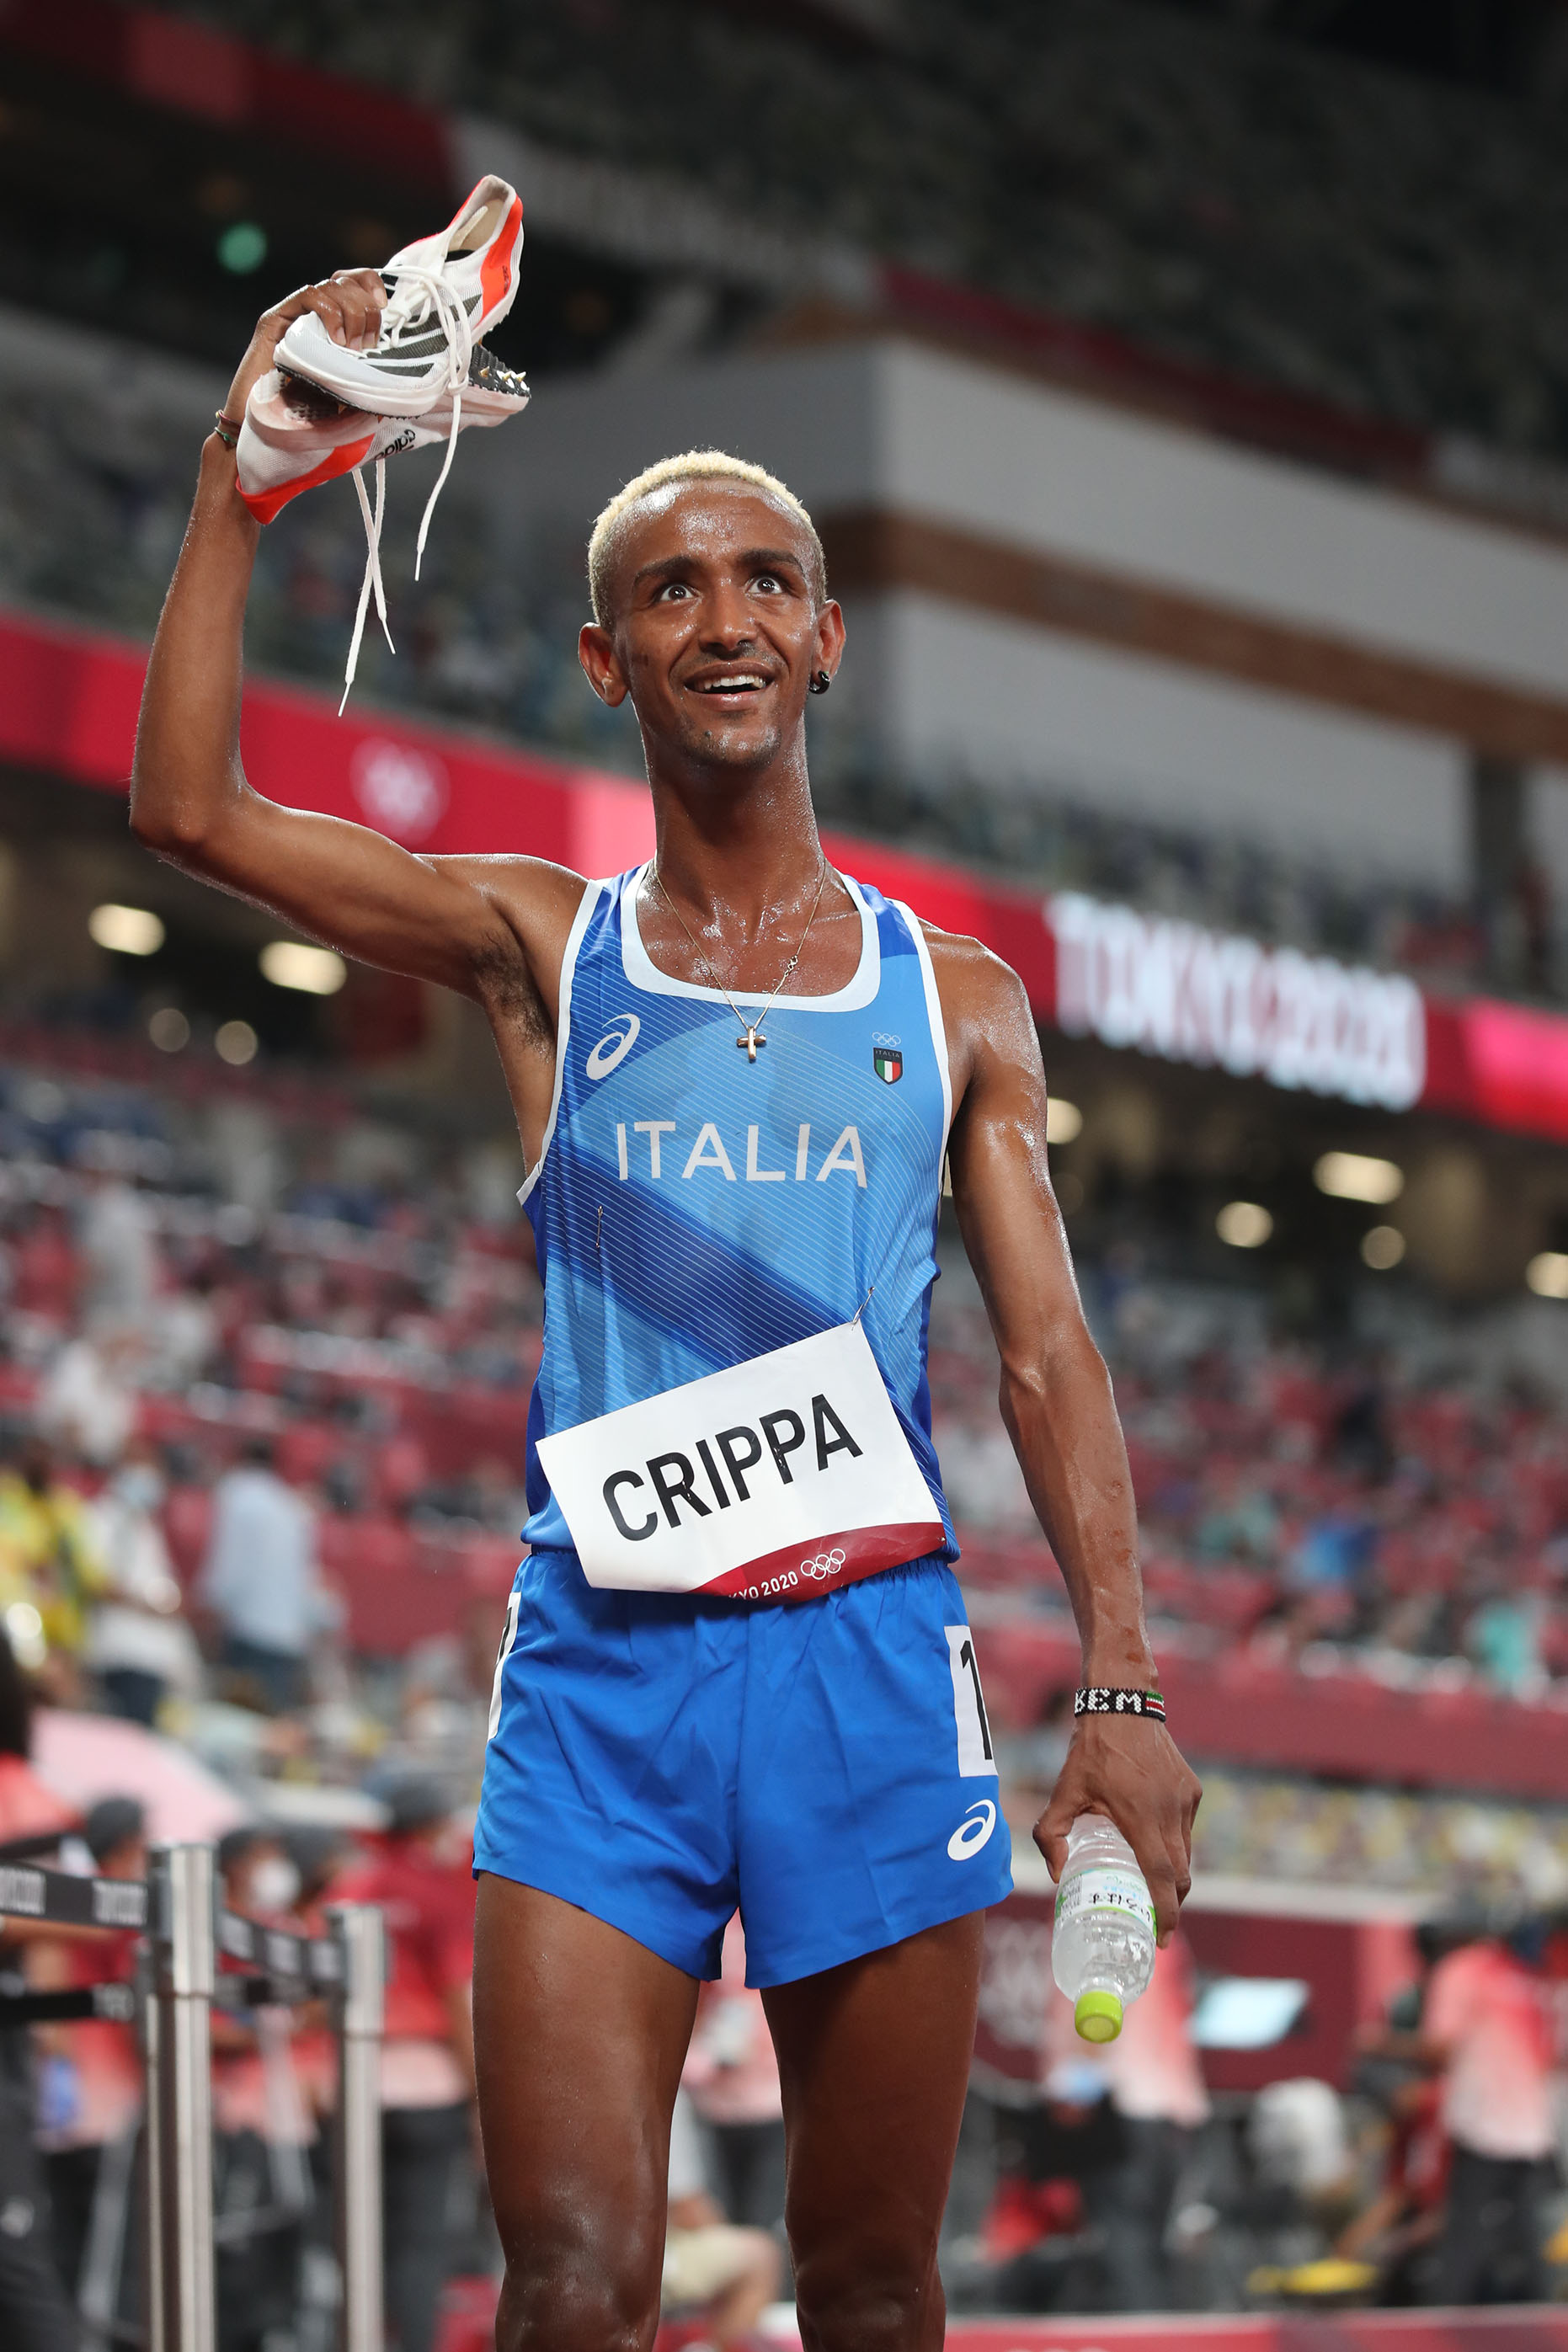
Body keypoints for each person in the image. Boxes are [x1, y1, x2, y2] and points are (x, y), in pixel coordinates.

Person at [131, 265, 1201, 2350]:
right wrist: (235, 490)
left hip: (866, 1672)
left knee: (871, 2288)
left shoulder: (955, 999)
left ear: (826, 634)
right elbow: (190, 815)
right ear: (602, 656)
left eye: (767, 579)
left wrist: (1128, 1690)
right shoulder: (545, 946)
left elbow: (1045, 1351)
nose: (726, 617)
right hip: (601, 1683)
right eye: (674, 588)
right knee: (571, 2285)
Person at [331, 1773, 479, 2352]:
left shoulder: (351, 1887)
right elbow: (455, 1995)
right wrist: (480, 2093)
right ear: (430, 1826)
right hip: (428, 2086)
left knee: (357, 2231)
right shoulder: (437, 1892)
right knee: (420, 2238)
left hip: (355, 2078)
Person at [0, 1630, 83, 2352]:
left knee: (13, 2258)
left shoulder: (19, 1789)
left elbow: (71, 1916)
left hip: (8, 2047)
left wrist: (54, 2051)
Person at [198, 1437, 323, 1714]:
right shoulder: (293, 1507)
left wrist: (210, 1604)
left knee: (238, 1722)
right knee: (269, 1725)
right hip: (288, 1637)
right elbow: (308, 1579)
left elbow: (228, 1562)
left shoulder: (238, 1494)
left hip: (249, 1631)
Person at [83, 1442, 195, 1725]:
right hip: (120, 1652)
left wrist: (167, 1604)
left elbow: (166, 1587)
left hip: (154, 1657)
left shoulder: (147, 1527)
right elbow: (98, 1582)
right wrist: (147, 1605)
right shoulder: (100, 1517)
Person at [663, 2087, 781, 2349]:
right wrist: (719, 2228)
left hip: (601, 2254)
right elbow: (686, 2208)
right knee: (763, 2255)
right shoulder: (666, 2094)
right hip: (645, 2259)